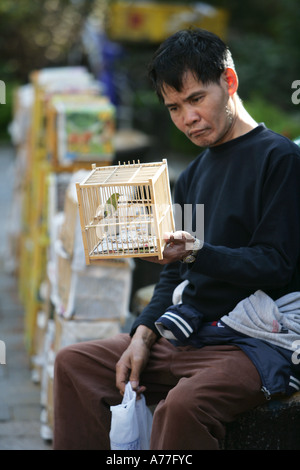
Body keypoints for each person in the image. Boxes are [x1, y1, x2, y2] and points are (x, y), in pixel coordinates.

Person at [53, 28, 300, 450]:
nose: (187, 117)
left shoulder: (281, 161)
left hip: (257, 342)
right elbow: (174, 273)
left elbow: (274, 263)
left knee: (182, 407)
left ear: (229, 82)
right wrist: (143, 334)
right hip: (191, 332)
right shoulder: (192, 176)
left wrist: (198, 253)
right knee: (75, 363)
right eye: (174, 107)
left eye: (196, 99)